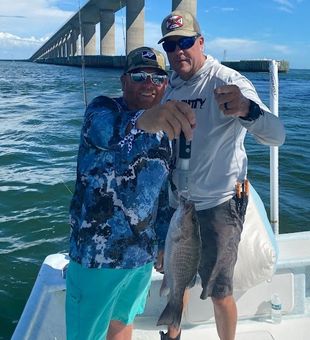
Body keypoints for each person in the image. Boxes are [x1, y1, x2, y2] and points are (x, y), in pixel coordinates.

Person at [155, 10, 286, 340]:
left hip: (218, 204)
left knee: (219, 289)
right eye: (170, 46)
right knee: (177, 276)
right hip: (177, 201)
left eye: (185, 42)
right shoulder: (168, 88)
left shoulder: (227, 82)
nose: (178, 52)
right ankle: (172, 335)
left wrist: (247, 109)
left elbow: (277, 135)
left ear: (200, 42)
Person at [66, 46, 195, 340]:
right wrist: (143, 120)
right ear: (124, 81)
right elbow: (105, 132)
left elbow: (163, 193)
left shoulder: (166, 130)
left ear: (166, 84)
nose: (149, 84)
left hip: (141, 257)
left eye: (158, 77)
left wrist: (164, 241)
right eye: (139, 76)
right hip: (97, 260)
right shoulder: (102, 110)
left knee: (124, 324)